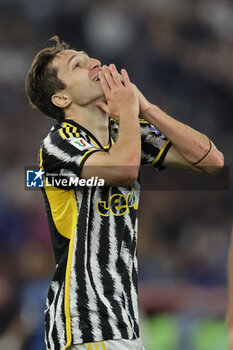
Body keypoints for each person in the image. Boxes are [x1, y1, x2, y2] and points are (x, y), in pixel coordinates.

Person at [25, 37, 224, 350]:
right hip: (85, 323)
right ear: (61, 98)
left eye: (88, 56)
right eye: (76, 65)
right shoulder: (58, 144)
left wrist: (148, 109)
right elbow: (124, 170)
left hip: (123, 322)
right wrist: (130, 112)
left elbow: (211, 160)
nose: (93, 63)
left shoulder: (124, 132)